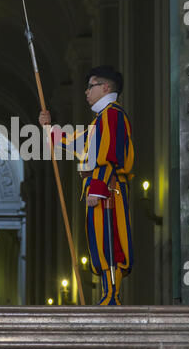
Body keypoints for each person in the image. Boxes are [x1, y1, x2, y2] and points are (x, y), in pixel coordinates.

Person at [39, 66, 134, 305]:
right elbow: (79, 143)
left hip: (108, 189)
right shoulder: (100, 119)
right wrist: (49, 129)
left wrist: (98, 188)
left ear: (105, 87)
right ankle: (107, 293)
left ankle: (113, 295)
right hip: (100, 187)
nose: (85, 92)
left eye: (90, 86)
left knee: (110, 241)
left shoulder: (112, 114)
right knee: (98, 242)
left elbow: (112, 155)